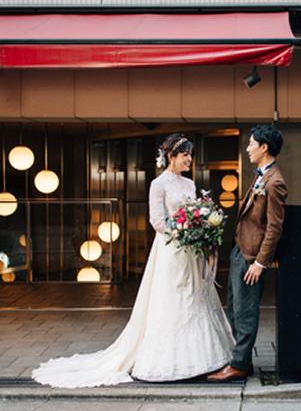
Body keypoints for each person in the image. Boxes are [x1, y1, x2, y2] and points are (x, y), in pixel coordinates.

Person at [32, 133, 234, 387]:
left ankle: (208, 357)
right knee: (173, 298)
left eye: (190, 155)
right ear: (171, 156)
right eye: (185, 155)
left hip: (191, 252)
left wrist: (201, 228)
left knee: (196, 296)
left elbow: (194, 211)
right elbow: (157, 221)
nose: (190, 160)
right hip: (171, 250)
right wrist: (184, 231)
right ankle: (170, 360)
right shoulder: (158, 185)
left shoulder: (190, 184)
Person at [208, 124, 287, 382]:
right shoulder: (260, 175)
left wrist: (260, 263)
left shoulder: (275, 182)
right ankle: (241, 359)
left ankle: (239, 365)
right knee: (234, 310)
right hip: (240, 251)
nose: (248, 148)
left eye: (252, 144)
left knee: (245, 313)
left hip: (252, 258)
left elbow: (274, 227)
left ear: (264, 147)